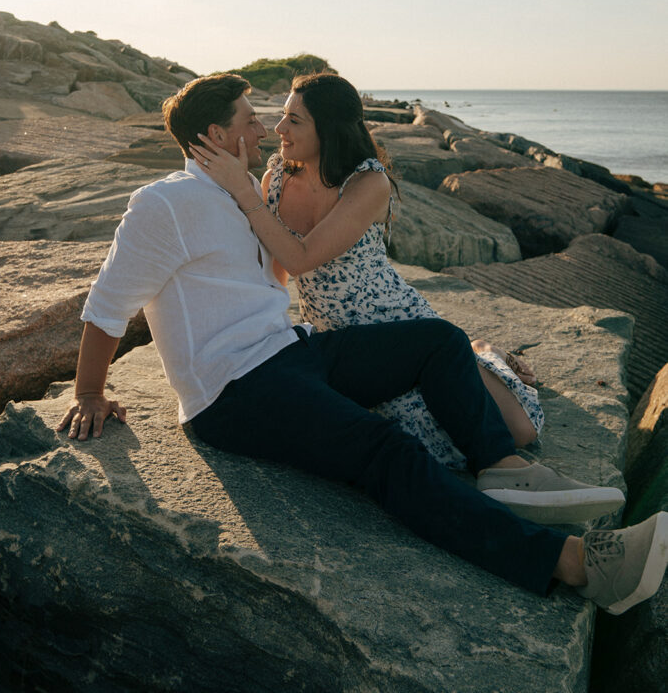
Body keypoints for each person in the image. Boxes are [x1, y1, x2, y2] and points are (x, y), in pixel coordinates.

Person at [58, 72, 668, 616]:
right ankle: (578, 565)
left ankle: (500, 470)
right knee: (387, 451)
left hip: (291, 352)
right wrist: (89, 391)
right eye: (251, 119)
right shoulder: (164, 203)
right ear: (218, 134)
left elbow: (274, 275)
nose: (266, 130)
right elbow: (109, 302)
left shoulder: (243, 192)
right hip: (235, 390)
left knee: (436, 342)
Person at [190, 72, 542, 473]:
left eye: (295, 121)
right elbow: (276, 273)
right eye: (283, 115)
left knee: (520, 432)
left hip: (400, 323)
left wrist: (241, 189)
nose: (279, 128)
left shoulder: (368, 181)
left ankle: (484, 353)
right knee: (417, 441)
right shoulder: (275, 179)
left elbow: (301, 258)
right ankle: (476, 353)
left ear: (330, 128)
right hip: (335, 342)